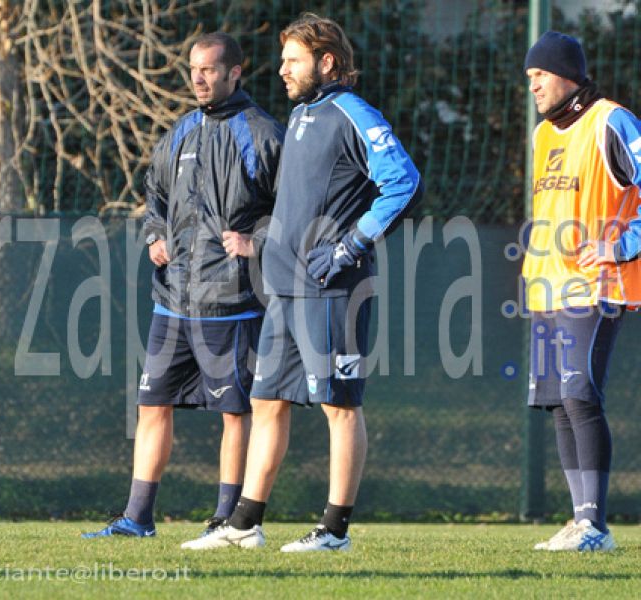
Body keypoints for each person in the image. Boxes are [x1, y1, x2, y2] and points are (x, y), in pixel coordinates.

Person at [183, 14, 422, 552]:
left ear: (327, 62)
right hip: (284, 292)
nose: (284, 70)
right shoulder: (301, 115)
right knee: (267, 402)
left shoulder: (352, 112)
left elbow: (403, 183)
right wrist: (262, 245)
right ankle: (245, 524)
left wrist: (348, 248)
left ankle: (335, 530)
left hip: (334, 292)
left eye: (294, 60)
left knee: (340, 406)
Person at [82, 32, 284, 539]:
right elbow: (156, 196)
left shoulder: (261, 133)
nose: (198, 77)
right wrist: (154, 235)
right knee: (151, 405)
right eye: (193, 68)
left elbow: (289, 209)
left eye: (209, 69)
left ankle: (227, 519)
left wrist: (256, 240)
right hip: (172, 299)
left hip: (231, 301)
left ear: (235, 72)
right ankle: (137, 517)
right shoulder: (181, 132)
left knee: (234, 413)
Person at [520, 31, 641, 552]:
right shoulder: (543, 134)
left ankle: (595, 525)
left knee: (580, 394)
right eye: (530, 79)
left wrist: (621, 246)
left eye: (539, 76)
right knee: (560, 406)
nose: (533, 87)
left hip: (597, 284)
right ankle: (580, 520)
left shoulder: (612, 121)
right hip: (547, 288)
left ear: (567, 75)